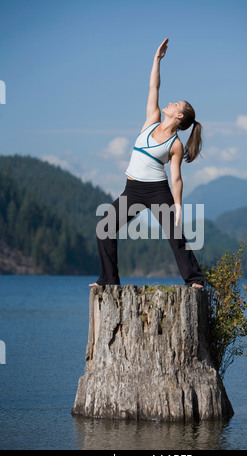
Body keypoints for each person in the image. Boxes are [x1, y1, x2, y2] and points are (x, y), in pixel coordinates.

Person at [89, 38, 204, 289]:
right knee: (104, 228)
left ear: (179, 115)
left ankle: (195, 279)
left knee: (175, 235)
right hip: (132, 190)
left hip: (156, 191)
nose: (171, 102)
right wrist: (156, 60)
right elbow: (154, 87)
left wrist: (178, 206)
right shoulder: (151, 120)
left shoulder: (175, 144)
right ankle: (109, 280)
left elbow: (176, 178)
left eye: (176, 104)